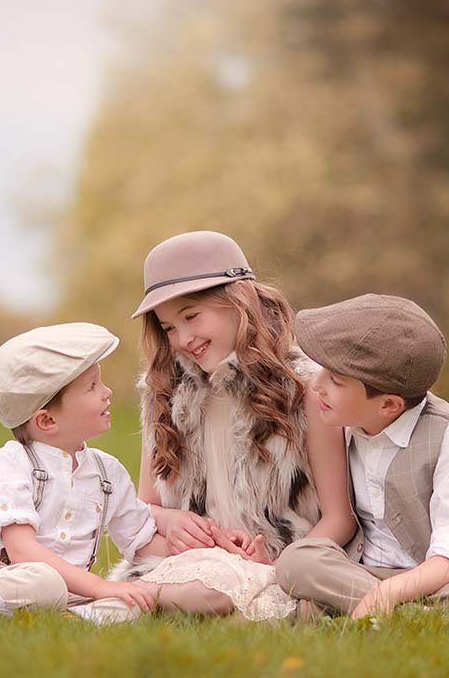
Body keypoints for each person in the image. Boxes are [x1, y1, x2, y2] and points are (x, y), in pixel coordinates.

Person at [0, 322, 230, 622]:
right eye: (92, 387)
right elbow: (21, 551)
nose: (107, 393)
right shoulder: (13, 463)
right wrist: (102, 586)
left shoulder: (108, 473)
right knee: (43, 582)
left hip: (70, 591)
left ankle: (60, 621)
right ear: (46, 420)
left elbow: (141, 540)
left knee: (134, 602)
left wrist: (201, 551)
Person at [274, 294, 449, 630]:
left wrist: (391, 594)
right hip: (364, 574)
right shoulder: (341, 423)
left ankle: (366, 617)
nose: (316, 385)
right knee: (298, 559)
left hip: (448, 577)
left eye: (336, 381)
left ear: (389, 406)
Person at [115, 231, 357, 621]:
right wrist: (173, 521)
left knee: (211, 596)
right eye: (169, 328)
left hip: (281, 561)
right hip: (190, 560)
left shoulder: (305, 388)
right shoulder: (163, 392)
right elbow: (146, 506)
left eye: (191, 316)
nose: (182, 339)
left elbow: (339, 519)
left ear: (238, 301)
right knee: (181, 587)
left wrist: (283, 565)